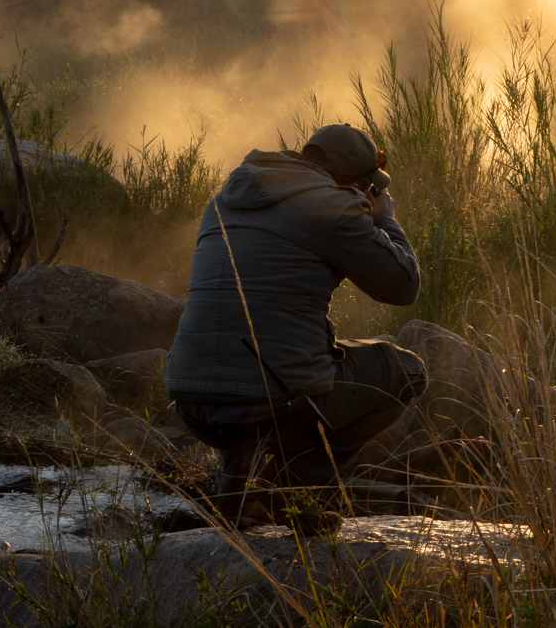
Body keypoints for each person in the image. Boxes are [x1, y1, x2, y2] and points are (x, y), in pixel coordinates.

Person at [164, 123, 426, 533]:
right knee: (405, 371)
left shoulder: (225, 199)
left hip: (192, 403)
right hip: (274, 404)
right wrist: (384, 220)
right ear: (357, 184)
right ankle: (290, 492)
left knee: (253, 356)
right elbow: (403, 286)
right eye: (370, 187)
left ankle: (234, 494)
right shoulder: (334, 207)